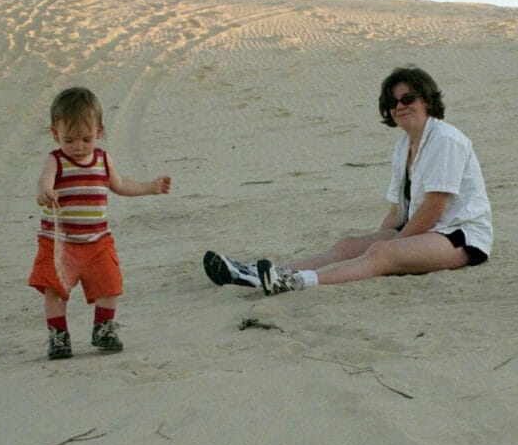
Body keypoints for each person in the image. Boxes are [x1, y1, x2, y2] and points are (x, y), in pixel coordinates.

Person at [203, 65, 492, 296]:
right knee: (347, 246)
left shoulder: (445, 139)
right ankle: (259, 273)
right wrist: (370, 245)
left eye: (408, 98)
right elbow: (396, 213)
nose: (400, 106)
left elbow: (434, 209)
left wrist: (389, 248)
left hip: (460, 237)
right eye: (393, 102)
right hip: (425, 231)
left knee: (382, 253)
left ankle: (299, 282)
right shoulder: (404, 146)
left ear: (427, 100)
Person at [28, 87, 171, 359]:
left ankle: (103, 328)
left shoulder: (103, 160)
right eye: (69, 139)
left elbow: (120, 185)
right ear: (55, 133)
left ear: (99, 132)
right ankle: (58, 336)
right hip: (59, 242)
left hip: (98, 242)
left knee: (110, 284)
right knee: (55, 290)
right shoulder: (56, 160)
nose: (78, 146)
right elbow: (43, 182)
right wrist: (44, 192)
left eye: (86, 138)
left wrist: (150, 187)